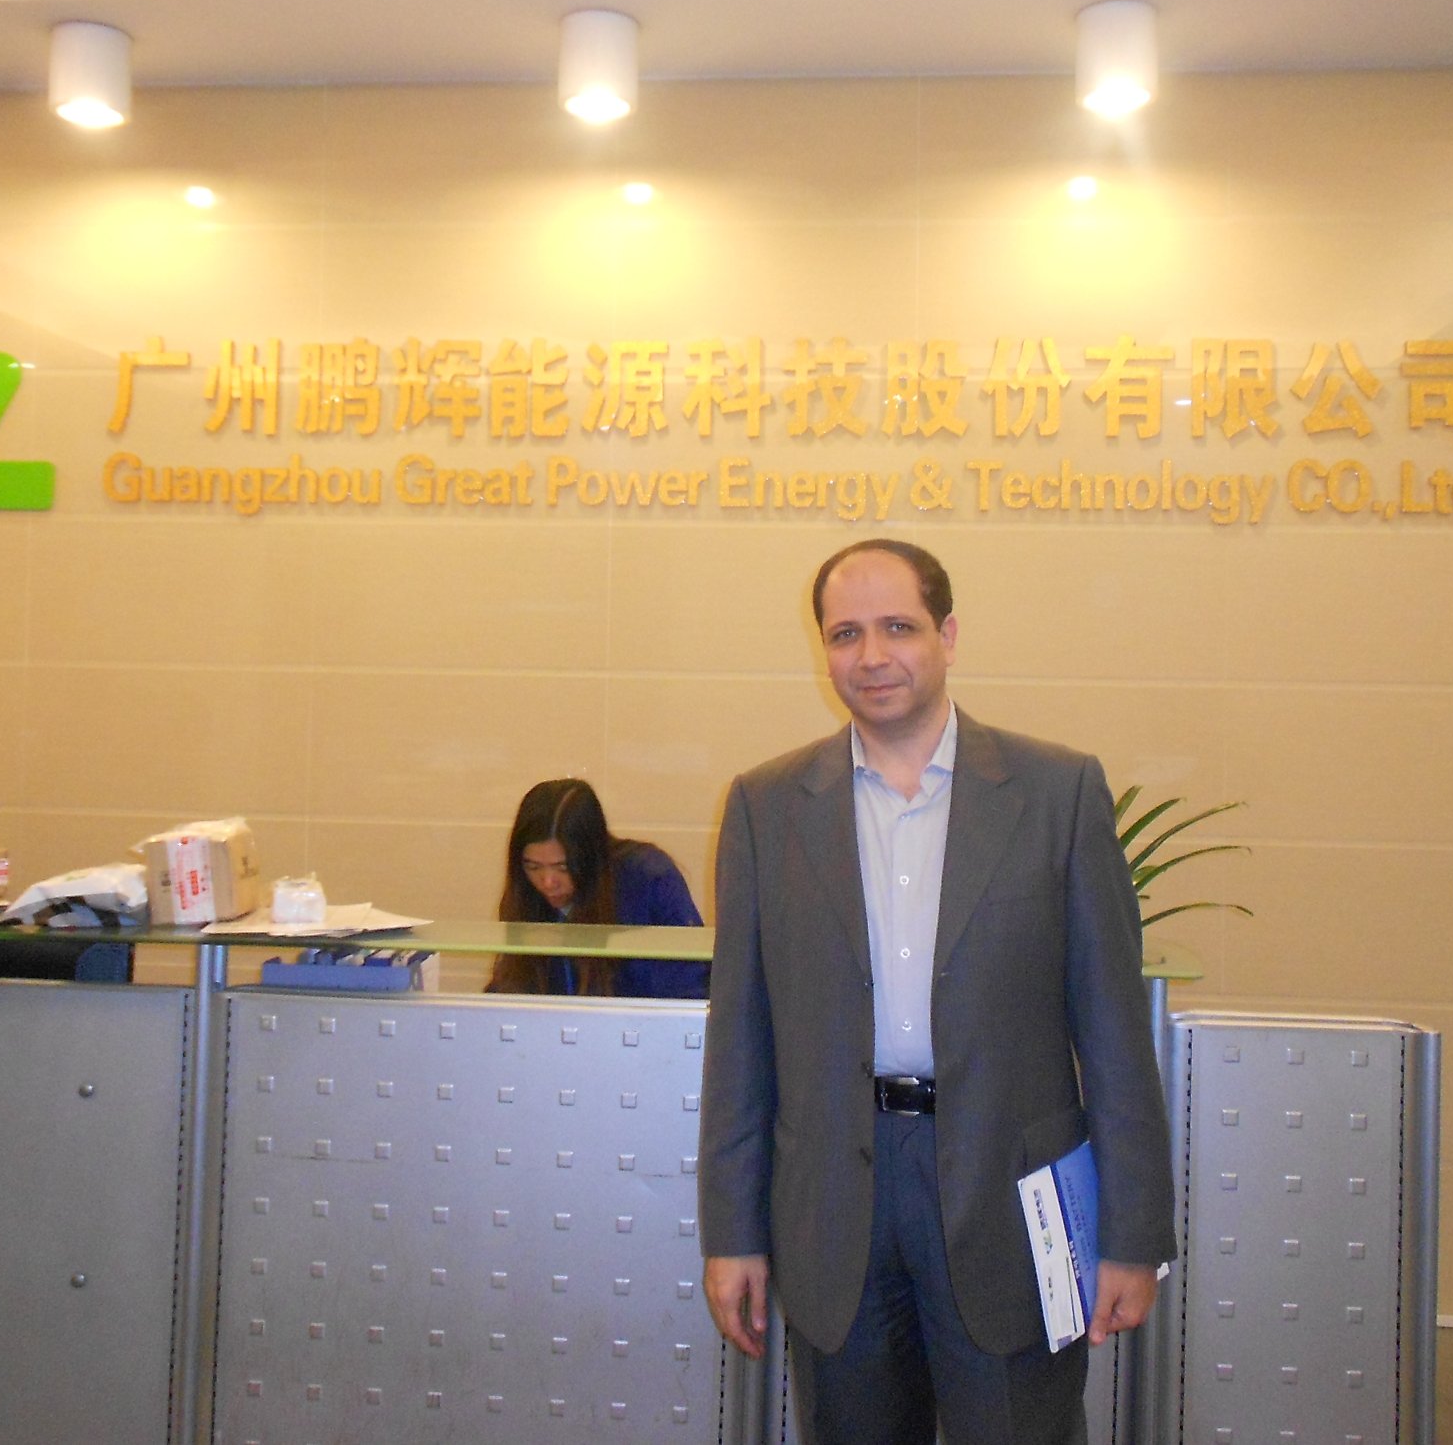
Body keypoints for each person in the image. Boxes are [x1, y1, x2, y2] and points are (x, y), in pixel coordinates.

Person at [698, 540, 1175, 1445]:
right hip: (836, 1202)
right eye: (845, 634)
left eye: (898, 627)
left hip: (1009, 1194)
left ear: (947, 636)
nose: (872, 655)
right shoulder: (767, 807)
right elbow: (742, 1042)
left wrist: (1134, 1234)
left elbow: (1114, 1032)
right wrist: (733, 1232)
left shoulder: (1057, 793)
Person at [485, 778, 709, 1000]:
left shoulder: (647, 880)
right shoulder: (525, 896)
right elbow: (509, 988)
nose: (547, 882)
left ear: (592, 856)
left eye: (563, 867)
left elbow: (691, 985)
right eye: (533, 866)